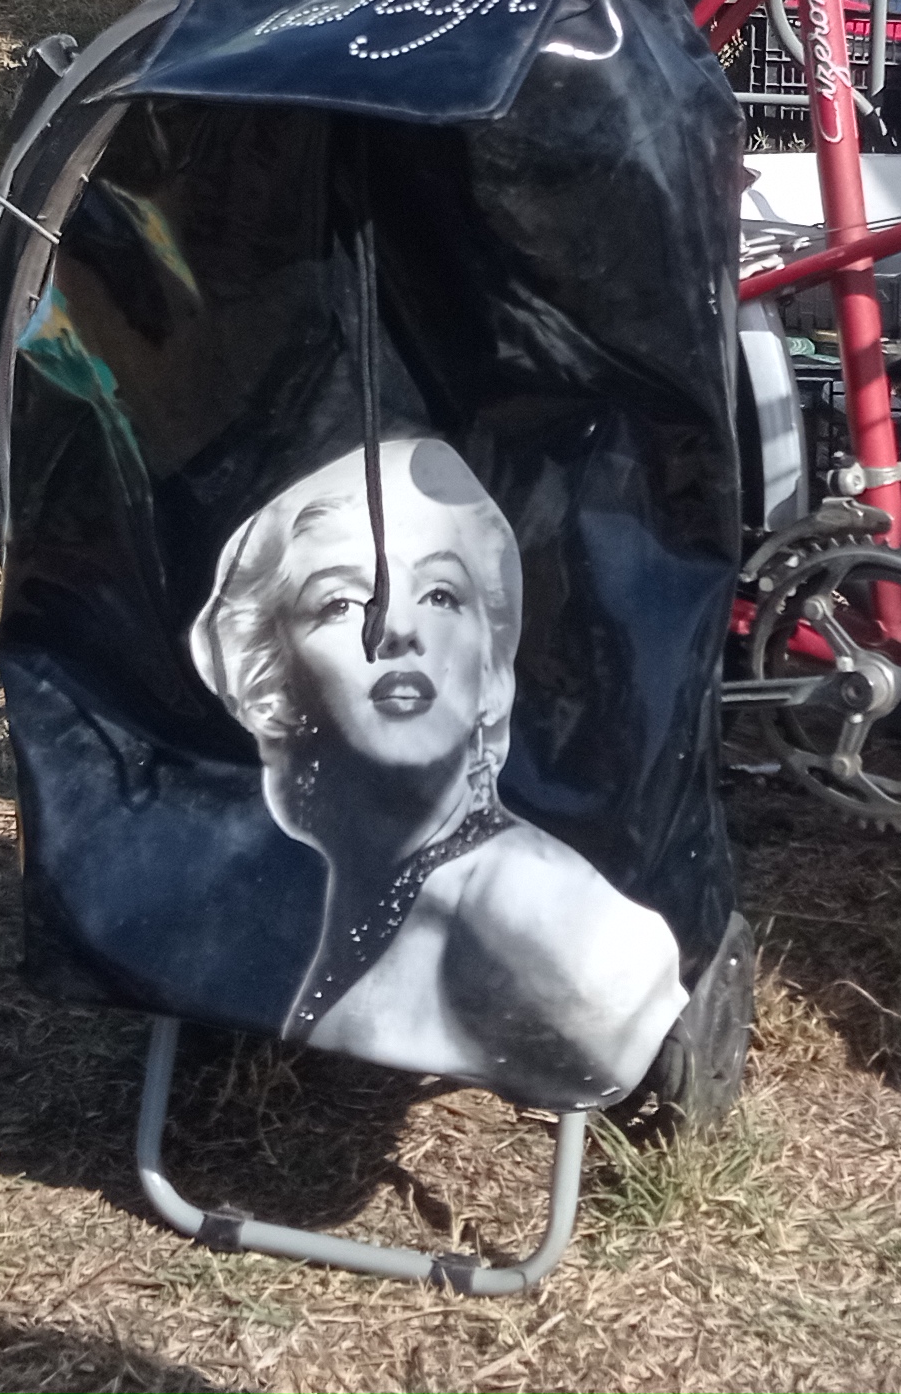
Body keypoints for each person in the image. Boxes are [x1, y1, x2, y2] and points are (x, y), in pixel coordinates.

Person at [188, 435, 687, 1106]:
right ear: (273, 682)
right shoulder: (361, 881)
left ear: (490, 667)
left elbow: (620, 995)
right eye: (340, 602)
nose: (396, 628)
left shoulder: (527, 904)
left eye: (442, 595)